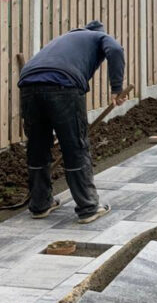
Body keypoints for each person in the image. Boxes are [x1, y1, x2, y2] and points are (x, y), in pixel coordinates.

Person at [18, 20, 125, 224]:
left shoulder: (63, 39)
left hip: (28, 84)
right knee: (75, 145)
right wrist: (117, 88)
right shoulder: (98, 37)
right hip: (63, 85)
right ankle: (88, 208)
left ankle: (40, 205)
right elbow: (116, 49)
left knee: (37, 146)